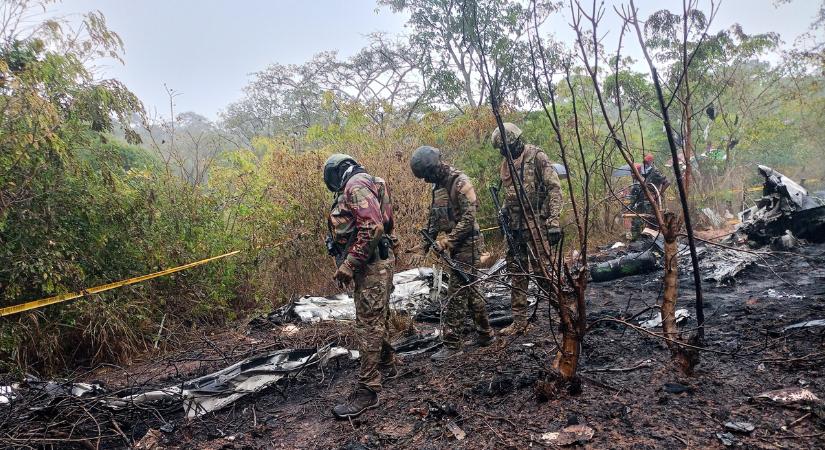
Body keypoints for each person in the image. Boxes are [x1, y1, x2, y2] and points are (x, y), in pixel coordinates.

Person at [323, 153, 397, 419]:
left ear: (337, 172)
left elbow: (373, 227)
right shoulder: (371, 181)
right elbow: (385, 224)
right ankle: (387, 363)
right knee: (376, 320)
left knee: (368, 325)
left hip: (371, 266)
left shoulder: (355, 185)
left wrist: (349, 264)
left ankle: (368, 391)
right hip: (378, 263)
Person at [408, 146, 495, 361]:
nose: (426, 180)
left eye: (427, 175)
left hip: (468, 244)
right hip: (455, 246)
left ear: (435, 167)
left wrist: (448, 241)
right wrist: (424, 245)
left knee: (456, 293)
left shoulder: (460, 182)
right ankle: (486, 334)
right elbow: (434, 219)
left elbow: (469, 218)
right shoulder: (437, 188)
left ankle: (452, 344)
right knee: (471, 289)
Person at [491, 123, 562, 336]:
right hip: (515, 228)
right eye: (502, 150)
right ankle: (520, 322)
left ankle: (564, 313)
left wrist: (553, 221)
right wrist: (503, 211)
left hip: (537, 226)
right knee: (517, 274)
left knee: (543, 273)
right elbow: (509, 194)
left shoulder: (537, 157)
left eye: (507, 148)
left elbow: (554, 189)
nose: (505, 153)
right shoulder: (506, 165)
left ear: (516, 142)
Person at [629, 154, 670, 238]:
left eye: (647, 162)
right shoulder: (648, 173)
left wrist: (659, 194)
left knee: (653, 220)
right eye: (644, 162)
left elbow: (667, 182)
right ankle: (642, 237)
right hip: (646, 200)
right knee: (644, 219)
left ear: (651, 162)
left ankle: (654, 238)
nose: (646, 164)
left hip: (654, 200)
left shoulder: (655, 172)